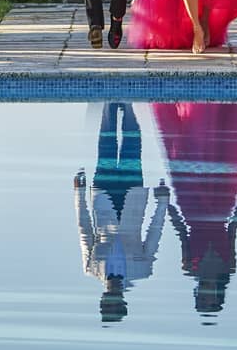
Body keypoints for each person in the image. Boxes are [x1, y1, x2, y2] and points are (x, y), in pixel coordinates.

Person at [151, 101, 237, 315]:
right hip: (221, 207)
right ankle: (218, 104)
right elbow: (233, 229)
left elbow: (181, 231)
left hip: (191, 207)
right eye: (210, 300)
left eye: (204, 299)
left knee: (187, 152)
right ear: (218, 295)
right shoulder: (228, 267)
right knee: (221, 150)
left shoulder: (189, 267)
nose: (207, 295)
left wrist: (166, 203)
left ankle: (205, 104)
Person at [73, 102, 170, 322]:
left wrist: (78, 194)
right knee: (131, 148)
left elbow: (84, 230)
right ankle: (127, 104)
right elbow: (154, 235)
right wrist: (162, 203)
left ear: (103, 298)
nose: (112, 296)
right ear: (122, 300)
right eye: (115, 302)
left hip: (103, 196)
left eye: (108, 301)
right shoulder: (142, 270)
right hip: (132, 196)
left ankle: (109, 101)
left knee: (106, 145)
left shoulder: (91, 268)